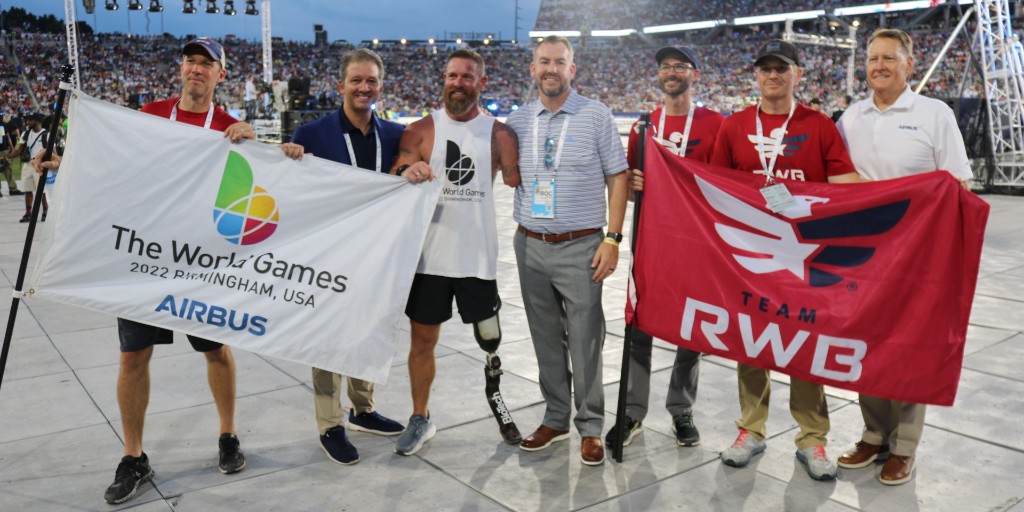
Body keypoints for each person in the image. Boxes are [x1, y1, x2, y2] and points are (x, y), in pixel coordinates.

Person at [102, 36, 284, 505]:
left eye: (207, 64)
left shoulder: (229, 127)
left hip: (201, 263)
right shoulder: (150, 115)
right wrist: (64, 163)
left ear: (221, 75)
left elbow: (265, 187)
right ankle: (133, 455)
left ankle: (227, 435)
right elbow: (114, 164)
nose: (197, 69)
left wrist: (259, 147)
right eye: (191, 61)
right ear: (180, 69)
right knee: (133, 357)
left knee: (216, 350)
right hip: (148, 259)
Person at [710, 39, 862, 481]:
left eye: (782, 68)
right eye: (765, 68)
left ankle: (813, 439)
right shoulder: (734, 125)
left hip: (803, 254)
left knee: (805, 345)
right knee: (751, 343)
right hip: (752, 253)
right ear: (756, 75)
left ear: (798, 75)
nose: (773, 75)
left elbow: (847, 185)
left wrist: (905, 195)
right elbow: (714, 185)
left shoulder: (819, 125)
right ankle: (750, 430)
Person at [835, 28, 973, 486]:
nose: (879, 66)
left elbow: (958, 188)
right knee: (867, 344)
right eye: (873, 58)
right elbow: (833, 184)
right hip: (865, 255)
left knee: (911, 347)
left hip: (918, 256)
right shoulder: (850, 118)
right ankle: (874, 434)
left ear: (909, 65)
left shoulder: (934, 114)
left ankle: (905, 446)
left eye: (889, 58)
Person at [389, 48, 521, 456]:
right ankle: (420, 416)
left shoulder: (500, 134)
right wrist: (405, 171)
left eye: (467, 76)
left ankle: (496, 398)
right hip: (430, 259)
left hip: (477, 258)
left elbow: (526, 182)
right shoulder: (420, 130)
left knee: (490, 339)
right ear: (442, 80)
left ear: (482, 82)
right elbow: (395, 172)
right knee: (422, 341)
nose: (458, 83)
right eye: (452, 76)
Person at [507, 35, 628, 466]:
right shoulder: (519, 121)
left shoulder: (595, 115)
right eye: (544, 61)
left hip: (581, 245)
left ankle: (591, 426)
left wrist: (612, 239)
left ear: (572, 70)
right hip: (531, 244)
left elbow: (619, 176)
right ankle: (556, 417)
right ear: (533, 69)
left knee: (585, 338)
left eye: (560, 62)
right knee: (544, 338)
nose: (551, 69)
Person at [290, 48, 406, 465]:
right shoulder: (312, 134)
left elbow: (408, 172)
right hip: (329, 256)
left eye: (371, 81)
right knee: (326, 339)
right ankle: (330, 423)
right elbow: (291, 192)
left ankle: (364, 408)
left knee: (368, 330)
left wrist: (417, 170)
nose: (363, 87)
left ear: (380, 86)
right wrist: (288, 160)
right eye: (356, 80)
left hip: (376, 257)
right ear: (341, 86)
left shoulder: (394, 136)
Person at [607, 45, 724, 451]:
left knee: (690, 330)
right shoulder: (643, 127)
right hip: (651, 242)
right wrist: (637, 186)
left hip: (696, 244)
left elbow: (725, 185)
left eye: (680, 66)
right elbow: (630, 182)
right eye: (665, 66)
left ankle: (681, 408)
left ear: (695, 74)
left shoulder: (715, 125)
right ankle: (633, 410)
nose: (671, 72)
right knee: (639, 324)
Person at [18, 112, 49, 222]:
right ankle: (28, 213)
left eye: (30, 120)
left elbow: (53, 151)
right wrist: (7, 156)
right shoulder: (25, 134)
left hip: (40, 165)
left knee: (42, 191)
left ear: (37, 121)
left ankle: (46, 212)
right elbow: (20, 149)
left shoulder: (46, 134)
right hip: (28, 164)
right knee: (28, 189)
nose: (28, 122)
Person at [1, 113, 25, 197]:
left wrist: (11, 148)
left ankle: (13, 189)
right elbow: (7, 136)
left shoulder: (2, 125)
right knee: (8, 169)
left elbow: (7, 136)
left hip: (4, 149)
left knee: (8, 169)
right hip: (4, 149)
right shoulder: (2, 124)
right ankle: (13, 189)